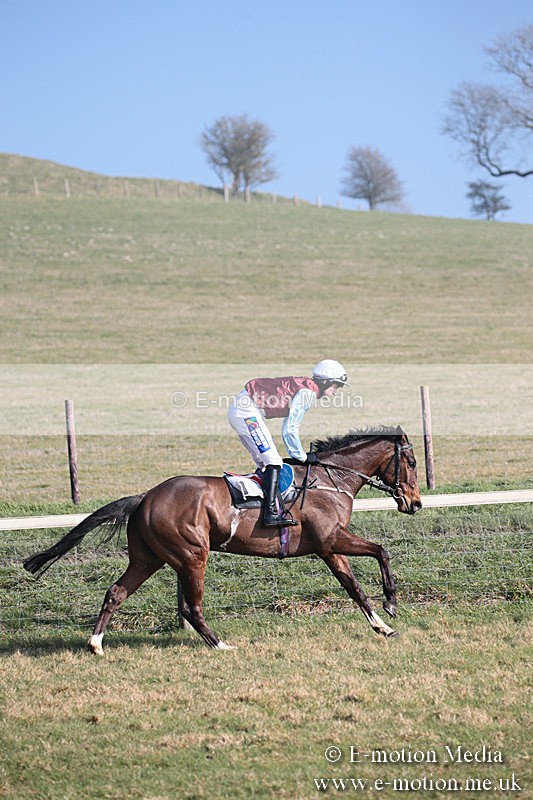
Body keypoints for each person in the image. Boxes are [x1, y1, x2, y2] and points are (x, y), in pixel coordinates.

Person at [228, 359, 349, 527]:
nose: (335, 392)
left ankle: (260, 507)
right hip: (246, 411)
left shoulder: (306, 388)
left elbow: (288, 426)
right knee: (273, 461)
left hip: (243, 409)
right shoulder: (307, 393)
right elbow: (290, 429)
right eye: (336, 386)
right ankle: (270, 514)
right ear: (326, 382)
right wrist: (301, 457)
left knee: (265, 463)